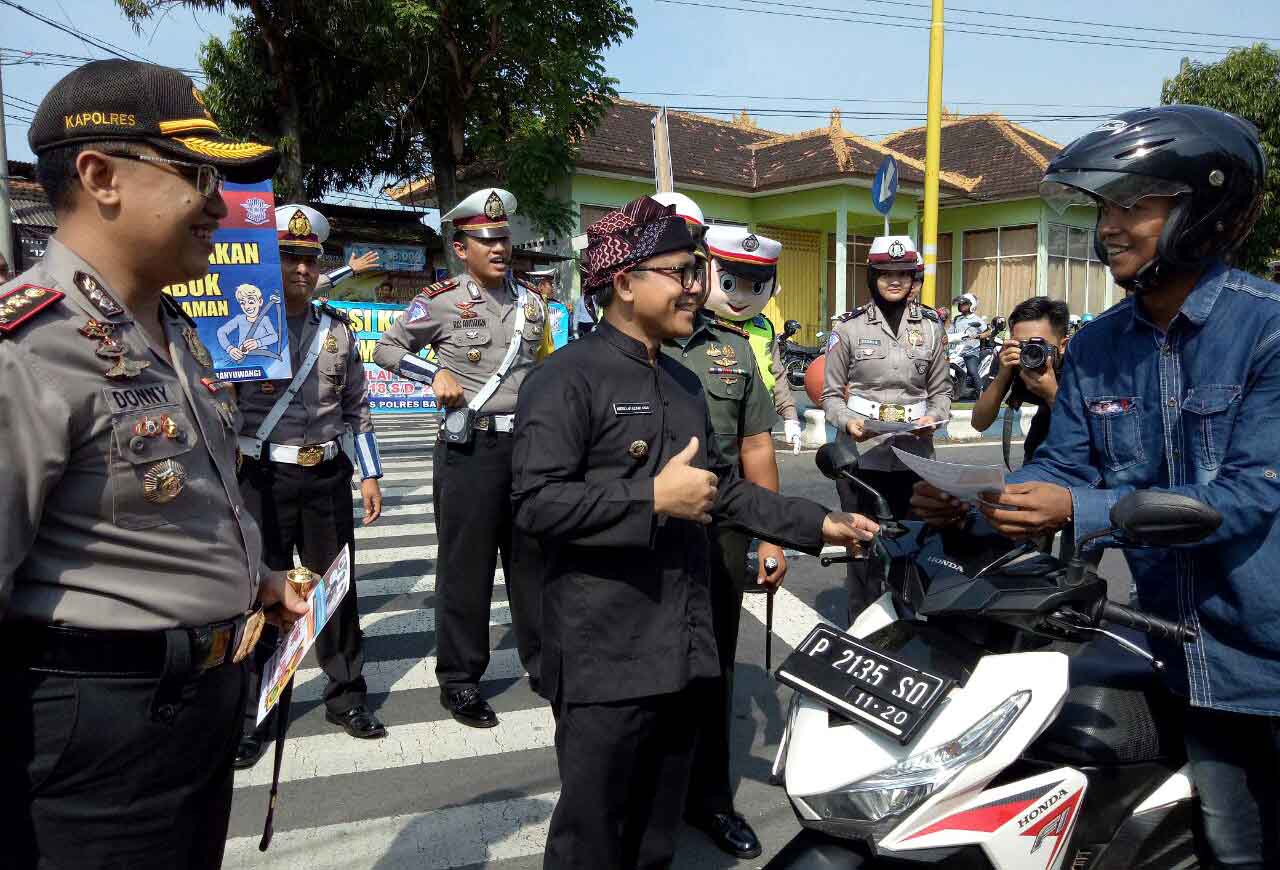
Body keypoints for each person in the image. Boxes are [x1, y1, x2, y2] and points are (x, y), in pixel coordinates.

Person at [913, 105, 1280, 870]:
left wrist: (1079, 507)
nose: (1109, 226)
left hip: (1268, 653)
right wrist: (986, 498)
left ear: (1202, 209)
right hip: (1184, 653)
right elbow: (1066, 466)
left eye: (1134, 205)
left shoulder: (1267, 331)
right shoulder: (1101, 344)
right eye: (1104, 207)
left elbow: (1248, 496)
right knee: (1232, 846)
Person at [511, 195, 880, 870]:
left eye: (696, 271)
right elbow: (537, 506)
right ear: (624, 283)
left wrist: (815, 523)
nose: (696, 287)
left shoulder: (681, 381)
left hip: (680, 644)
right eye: (681, 271)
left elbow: (724, 487)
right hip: (604, 652)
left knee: (656, 835)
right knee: (593, 837)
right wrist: (650, 497)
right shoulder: (564, 379)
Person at [0, 59, 308, 869]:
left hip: (198, 709)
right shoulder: (31, 348)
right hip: (96, 733)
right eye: (196, 174)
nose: (218, 202)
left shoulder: (169, 327)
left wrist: (258, 582)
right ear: (101, 176)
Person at [373, 187, 547, 727]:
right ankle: (460, 680)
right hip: (468, 449)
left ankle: (544, 664)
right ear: (460, 246)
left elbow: (543, 373)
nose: (499, 247)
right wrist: (435, 374)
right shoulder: (441, 299)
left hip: (526, 450)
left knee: (532, 563)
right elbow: (387, 348)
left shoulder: (535, 304)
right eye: (486, 239)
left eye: (504, 239)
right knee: (466, 570)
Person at [232, 204, 388, 770]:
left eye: (309, 258)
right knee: (261, 596)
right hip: (262, 478)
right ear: (269, 261)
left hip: (325, 475)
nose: (300, 268)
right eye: (288, 256)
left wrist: (369, 473)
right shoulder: (239, 327)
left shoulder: (338, 330)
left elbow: (357, 408)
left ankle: (346, 696)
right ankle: (251, 714)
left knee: (336, 591)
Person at [661, 221, 788, 859]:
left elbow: (756, 443)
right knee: (646, 672)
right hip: (641, 535)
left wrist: (770, 538)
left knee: (712, 668)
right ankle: (649, 797)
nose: (688, 283)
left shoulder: (732, 352)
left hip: (720, 530)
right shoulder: (623, 346)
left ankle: (710, 797)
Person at [821, 235, 950, 622]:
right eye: (885, 273)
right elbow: (830, 397)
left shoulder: (931, 329)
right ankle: (861, 626)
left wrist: (934, 419)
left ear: (913, 279)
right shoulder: (848, 329)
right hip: (861, 459)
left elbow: (942, 392)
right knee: (863, 549)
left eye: (903, 273)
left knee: (912, 546)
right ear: (872, 276)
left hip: (913, 458)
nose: (894, 280)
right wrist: (848, 422)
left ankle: (907, 626)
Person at [969, 296, 1071, 465]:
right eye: (1022, 345)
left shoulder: (1080, 364)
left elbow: (1092, 434)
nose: (1030, 352)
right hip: (1037, 450)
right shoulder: (1010, 358)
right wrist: (1003, 375)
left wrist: (1053, 395)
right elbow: (979, 423)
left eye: (1040, 345)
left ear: (1063, 345)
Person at [947, 292, 989, 389]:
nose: (961, 306)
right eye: (960, 304)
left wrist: (977, 336)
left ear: (971, 305)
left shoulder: (977, 319)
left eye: (964, 304)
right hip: (956, 350)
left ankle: (982, 392)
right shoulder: (957, 319)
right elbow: (950, 331)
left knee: (972, 370)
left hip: (971, 351)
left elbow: (988, 332)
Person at [529, 267, 572, 350]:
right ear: (541, 286)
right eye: (550, 284)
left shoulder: (559, 306)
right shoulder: (531, 305)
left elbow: (567, 331)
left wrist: (569, 314)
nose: (553, 288)